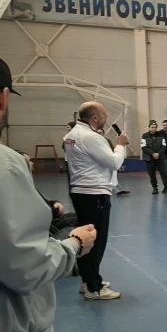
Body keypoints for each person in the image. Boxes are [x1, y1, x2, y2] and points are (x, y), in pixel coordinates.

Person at [0, 69, 98, 332]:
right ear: (3, 98)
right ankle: (92, 282)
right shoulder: (5, 165)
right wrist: (73, 246)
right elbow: (25, 266)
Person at [64, 101, 128, 300]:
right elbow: (114, 162)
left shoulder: (72, 135)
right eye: (104, 116)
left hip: (81, 192)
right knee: (95, 242)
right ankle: (94, 287)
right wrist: (120, 145)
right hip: (94, 194)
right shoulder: (91, 137)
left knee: (86, 239)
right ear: (94, 118)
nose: (105, 120)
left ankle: (87, 280)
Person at [141, 120, 167, 194]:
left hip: (160, 158)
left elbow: (164, 146)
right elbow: (143, 147)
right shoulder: (144, 135)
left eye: (155, 127)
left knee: (164, 173)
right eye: (152, 127)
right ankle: (155, 188)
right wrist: (153, 154)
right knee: (152, 174)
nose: (154, 128)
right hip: (150, 158)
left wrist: (158, 154)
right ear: (149, 127)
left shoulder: (161, 135)